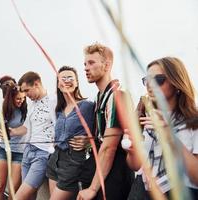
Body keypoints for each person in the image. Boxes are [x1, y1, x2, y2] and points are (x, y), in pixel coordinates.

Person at [124, 57, 198, 200]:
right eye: (147, 80)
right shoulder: (147, 117)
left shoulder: (194, 121)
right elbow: (135, 166)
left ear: (177, 82)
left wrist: (169, 136)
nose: (150, 85)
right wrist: (132, 152)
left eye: (158, 79)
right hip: (141, 192)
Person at [77, 43, 134, 200]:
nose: (86, 68)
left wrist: (93, 189)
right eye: (85, 64)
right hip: (103, 166)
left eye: (91, 63)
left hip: (116, 170)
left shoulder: (117, 95)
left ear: (107, 65)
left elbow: (109, 147)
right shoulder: (101, 96)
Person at [46, 66, 95, 199]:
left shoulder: (86, 106)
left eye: (70, 78)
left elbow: (98, 133)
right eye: (63, 78)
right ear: (58, 84)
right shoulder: (59, 109)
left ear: (77, 82)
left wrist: (89, 141)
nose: (67, 81)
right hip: (55, 160)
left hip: (73, 163)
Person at [10, 71, 56, 200]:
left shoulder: (54, 100)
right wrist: (11, 132)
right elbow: (26, 128)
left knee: (19, 196)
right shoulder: (31, 104)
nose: (25, 95)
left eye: (27, 90)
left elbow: (61, 126)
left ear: (36, 84)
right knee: (29, 197)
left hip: (42, 154)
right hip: (28, 152)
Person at [0, 84, 27, 200]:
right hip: (3, 151)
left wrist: (12, 132)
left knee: (13, 191)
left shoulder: (26, 111)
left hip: (19, 153)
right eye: (18, 98)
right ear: (11, 98)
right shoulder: (3, 109)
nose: (21, 101)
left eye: (23, 98)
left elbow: (27, 130)